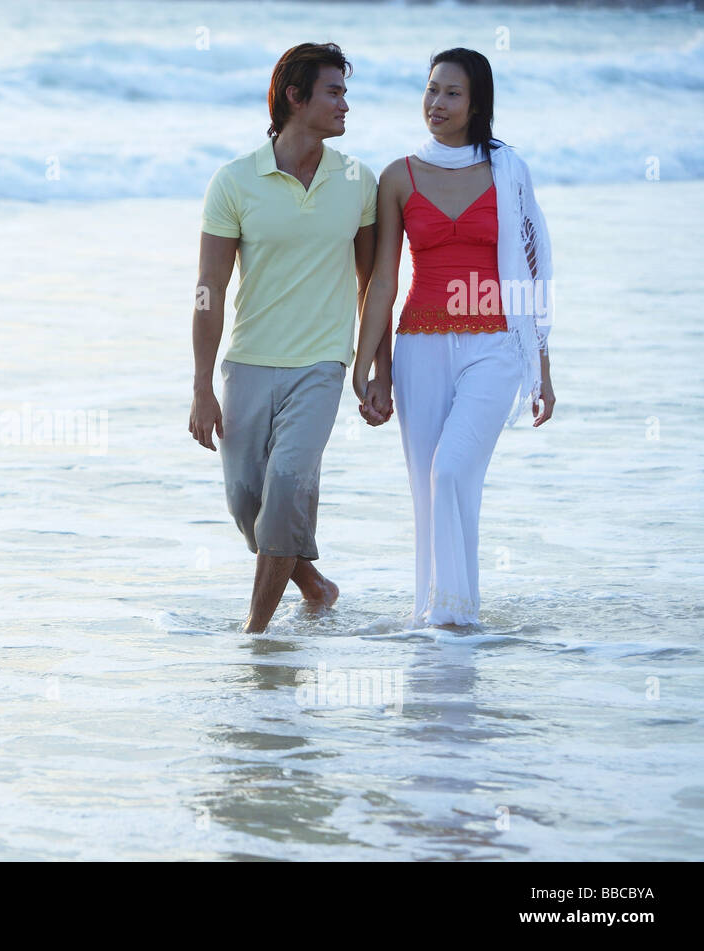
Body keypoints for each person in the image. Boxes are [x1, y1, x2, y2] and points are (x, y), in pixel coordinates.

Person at [352, 47, 556, 629]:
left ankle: (450, 617)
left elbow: (532, 271)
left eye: (452, 93)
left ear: (476, 104)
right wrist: (368, 368)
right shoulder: (399, 176)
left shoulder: (508, 171)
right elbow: (383, 281)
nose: (436, 103)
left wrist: (542, 365)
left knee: (450, 470)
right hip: (419, 345)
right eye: (431, 89)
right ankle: (445, 615)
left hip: (495, 346)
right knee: (429, 489)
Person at [189, 42, 378, 634]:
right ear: (296, 97)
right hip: (246, 363)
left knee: (288, 490)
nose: (345, 104)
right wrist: (201, 385)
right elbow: (208, 289)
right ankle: (316, 587)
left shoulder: (358, 181)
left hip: (321, 365)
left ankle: (256, 635)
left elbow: (372, 284)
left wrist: (373, 369)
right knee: (248, 505)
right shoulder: (234, 181)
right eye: (334, 92)